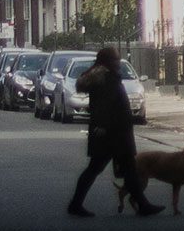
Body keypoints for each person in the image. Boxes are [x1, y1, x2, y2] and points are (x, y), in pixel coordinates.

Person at [67, 47, 162, 217]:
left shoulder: (104, 77)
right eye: (116, 59)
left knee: (128, 169)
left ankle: (143, 205)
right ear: (108, 62)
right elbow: (105, 105)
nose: (118, 62)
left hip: (114, 132)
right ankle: (75, 204)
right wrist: (102, 126)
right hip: (112, 134)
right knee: (97, 168)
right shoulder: (107, 79)